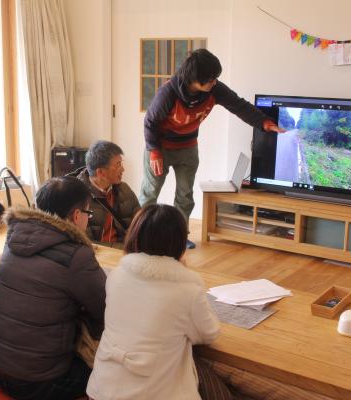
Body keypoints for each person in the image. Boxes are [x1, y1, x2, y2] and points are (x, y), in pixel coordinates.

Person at [139, 48, 284, 249]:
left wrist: (263, 123)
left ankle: (179, 237)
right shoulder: (168, 93)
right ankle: (141, 237)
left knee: (185, 196)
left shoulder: (215, 90)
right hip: (159, 148)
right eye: (210, 79)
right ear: (194, 80)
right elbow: (150, 122)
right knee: (149, 193)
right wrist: (154, 151)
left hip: (187, 147)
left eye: (215, 78)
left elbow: (239, 106)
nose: (214, 82)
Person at [87, 203, 232, 400]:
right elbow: (209, 333)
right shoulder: (186, 290)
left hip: (102, 388)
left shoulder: (117, 276)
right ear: (179, 242)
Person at [0, 176, 107, 400]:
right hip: (42, 383)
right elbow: (105, 309)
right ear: (76, 215)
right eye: (88, 214)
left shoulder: (14, 238)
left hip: (0, 369)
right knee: (116, 368)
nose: (88, 221)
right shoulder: (76, 255)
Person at [75, 140, 140, 247]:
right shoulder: (77, 196)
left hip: (126, 252)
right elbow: (85, 243)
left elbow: (140, 223)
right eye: (118, 165)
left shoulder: (124, 190)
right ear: (100, 172)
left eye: (121, 163)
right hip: (100, 255)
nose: (123, 169)